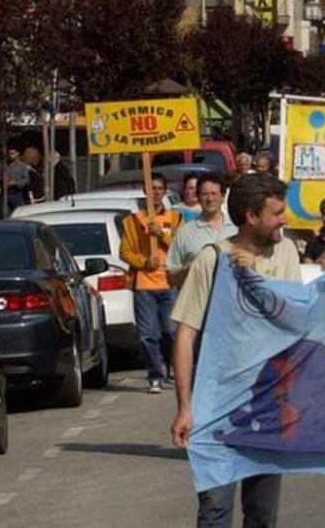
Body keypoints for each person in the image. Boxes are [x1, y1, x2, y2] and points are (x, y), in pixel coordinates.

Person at [169, 174, 300, 528]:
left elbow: (293, 315)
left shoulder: (285, 251)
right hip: (216, 408)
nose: (284, 220)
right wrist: (185, 407)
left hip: (268, 405)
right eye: (277, 213)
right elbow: (185, 334)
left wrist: (256, 274)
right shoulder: (211, 260)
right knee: (214, 510)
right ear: (250, 216)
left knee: (261, 513)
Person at [119, 172, 185, 394]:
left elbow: (181, 246)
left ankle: (173, 367)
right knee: (148, 335)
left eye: (159, 188)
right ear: (145, 191)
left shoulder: (175, 218)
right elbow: (124, 251)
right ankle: (154, 375)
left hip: (168, 283)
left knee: (171, 331)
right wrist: (143, 262)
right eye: (152, 188)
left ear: (164, 191)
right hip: (144, 286)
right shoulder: (133, 221)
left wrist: (162, 235)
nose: (155, 192)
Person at [167, 173, 236, 286]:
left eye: (214, 194)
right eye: (205, 194)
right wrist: (193, 269)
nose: (210, 199)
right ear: (198, 197)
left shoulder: (236, 228)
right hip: (199, 301)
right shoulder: (185, 232)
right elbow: (171, 277)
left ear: (223, 196)